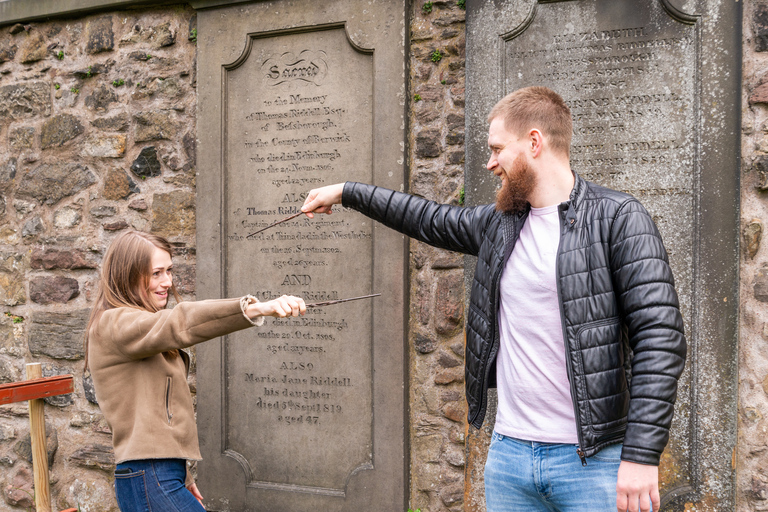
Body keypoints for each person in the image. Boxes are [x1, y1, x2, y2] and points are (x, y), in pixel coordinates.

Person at [301, 86, 686, 512]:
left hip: (593, 462)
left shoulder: (619, 218)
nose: (490, 163)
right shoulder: (500, 224)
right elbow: (428, 218)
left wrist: (641, 455)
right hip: (510, 458)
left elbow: (660, 339)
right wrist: (346, 192)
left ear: (534, 142)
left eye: (497, 149)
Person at [85, 230, 306, 512]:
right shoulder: (114, 324)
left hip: (158, 474)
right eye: (156, 273)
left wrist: (182, 473)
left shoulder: (138, 326)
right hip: (150, 476)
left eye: (169, 271)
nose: (167, 282)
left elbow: (149, 411)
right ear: (128, 275)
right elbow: (179, 322)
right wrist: (254, 309)